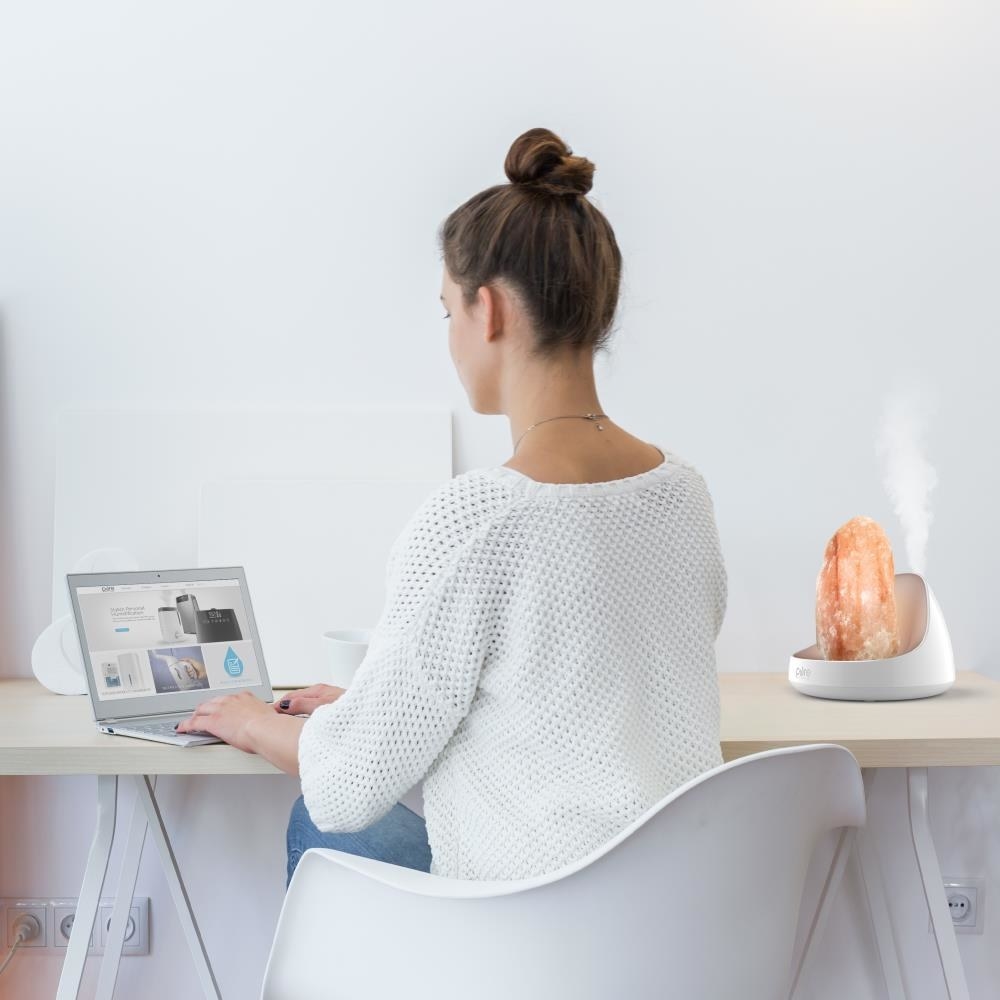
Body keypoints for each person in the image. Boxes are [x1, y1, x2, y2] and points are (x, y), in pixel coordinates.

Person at [176, 126, 728, 888]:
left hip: (529, 932)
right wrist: (381, 704)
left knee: (318, 820)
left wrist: (250, 720)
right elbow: (579, 696)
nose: (450, 338)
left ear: (490, 311)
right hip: (668, 924)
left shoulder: (481, 517)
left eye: (448, 313)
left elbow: (346, 786)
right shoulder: (683, 495)